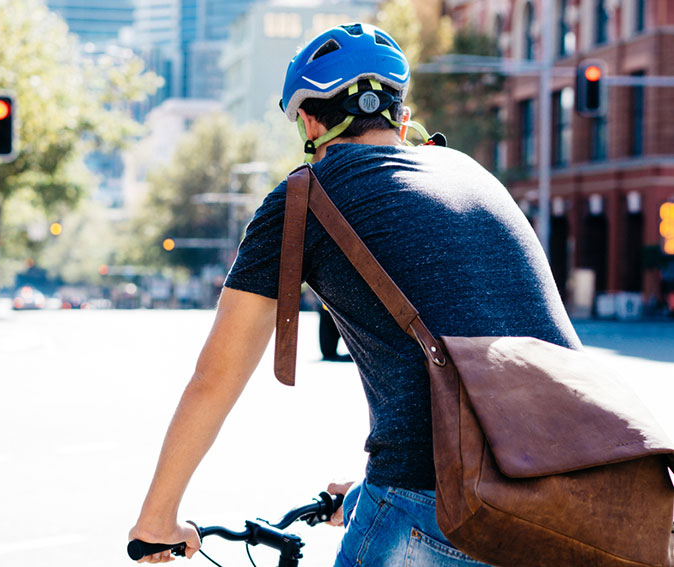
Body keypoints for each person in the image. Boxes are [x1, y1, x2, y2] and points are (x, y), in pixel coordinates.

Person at [129, 23, 580, 566]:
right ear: (400, 115)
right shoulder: (473, 175)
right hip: (564, 499)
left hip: (439, 508)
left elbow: (215, 378)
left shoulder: (303, 199)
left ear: (310, 121)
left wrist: (157, 518)